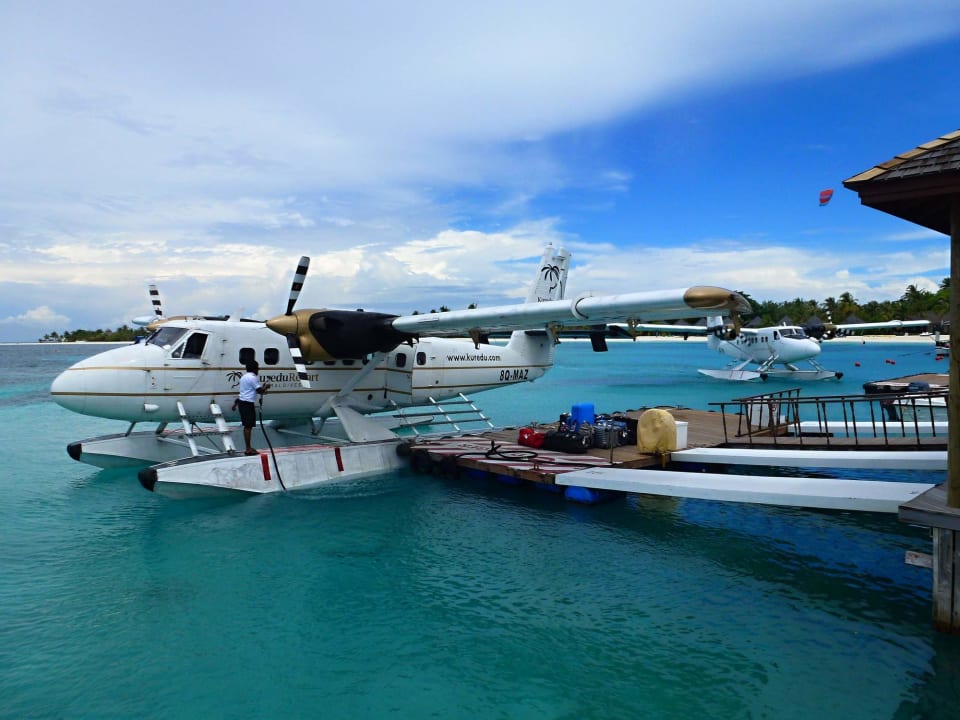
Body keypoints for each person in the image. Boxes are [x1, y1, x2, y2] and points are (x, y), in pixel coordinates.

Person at [232, 361, 271, 455]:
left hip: (243, 403)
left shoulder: (244, 377)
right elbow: (259, 391)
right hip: (247, 404)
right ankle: (248, 448)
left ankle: (248, 447)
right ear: (254, 368)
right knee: (248, 427)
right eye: (257, 368)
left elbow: (245, 391)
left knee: (247, 426)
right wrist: (266, 387)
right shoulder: (253, 378)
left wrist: (236, 404)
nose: (258, 370)